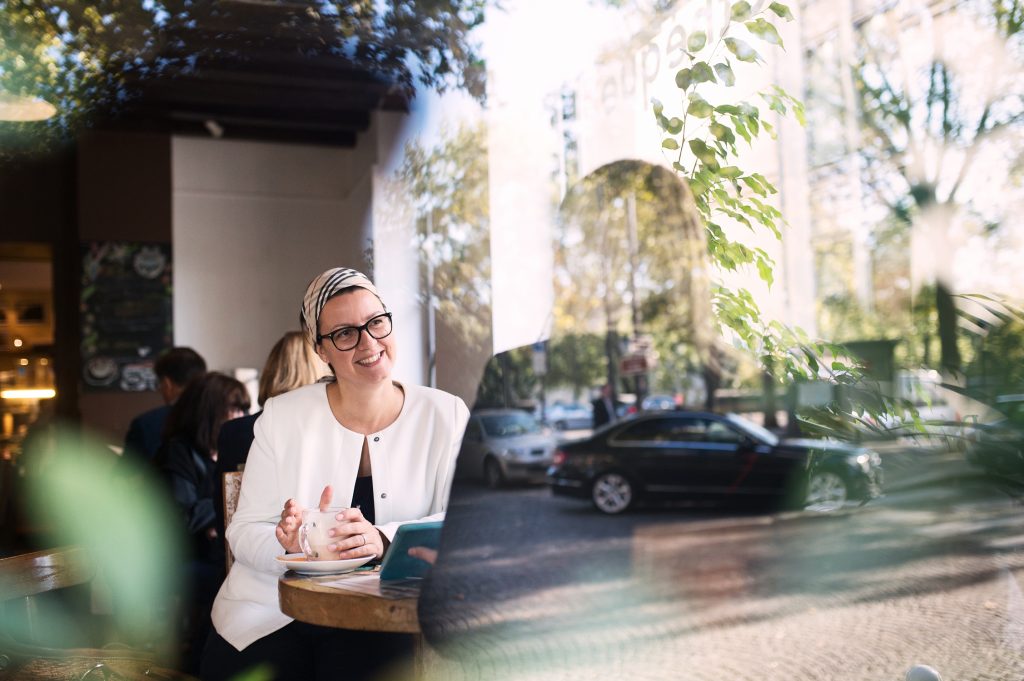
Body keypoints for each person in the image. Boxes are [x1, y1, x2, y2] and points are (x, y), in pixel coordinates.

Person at [202, 267, 470, 681]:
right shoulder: (283, 416)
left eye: (376, 323)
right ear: (321, 350)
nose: (368, 342)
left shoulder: (445, 413)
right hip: (270, 612)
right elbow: (244, 529)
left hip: (384, 616)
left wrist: (383, 538)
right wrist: (292, 546)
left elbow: (463, 521)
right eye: (345, 333)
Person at [156, 371, 251, 674]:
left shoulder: (222, 452)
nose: (240, 416)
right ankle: (198, 667)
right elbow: (183, 514)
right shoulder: (178, 452)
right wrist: (222, 510)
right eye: (234, 408)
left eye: (243, 408)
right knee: (230, 584)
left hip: (210, 552)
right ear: (209, 410)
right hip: (178, 560)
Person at [214, 330, 328, 535]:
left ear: (271, 371)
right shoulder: (329, 429)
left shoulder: (234, 432)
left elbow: (222, 511)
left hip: (243, 548)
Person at [123, 347, 207, 463]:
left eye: (160, 384)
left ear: (167, 384)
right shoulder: (220, 418)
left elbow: (124, 477)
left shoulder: (145, 425)